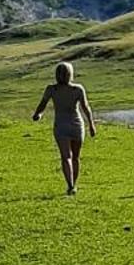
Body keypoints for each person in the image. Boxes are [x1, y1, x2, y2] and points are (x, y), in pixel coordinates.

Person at [32, 61, 96, 194]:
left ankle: (71, 185)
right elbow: (86, 108)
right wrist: (91, 124)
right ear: (70, 74)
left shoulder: (51, 89)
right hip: (77, 125)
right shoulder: (77, 89)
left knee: (66, 156)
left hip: (61, 125)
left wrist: (38, 114)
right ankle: (73, 185)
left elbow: (42, 104)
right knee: (75, 157)